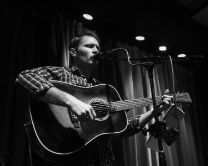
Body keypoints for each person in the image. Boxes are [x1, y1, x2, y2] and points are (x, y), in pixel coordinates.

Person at [15, 29, 177, 166]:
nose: (96, 50)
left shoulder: (104, 91)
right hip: (69, 157)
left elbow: (118, 131)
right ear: (73, 52)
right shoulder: (60, 74)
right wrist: (71, 102)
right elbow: (25, 78)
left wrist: (153, 112)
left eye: (97, 47)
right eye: (89, 46)